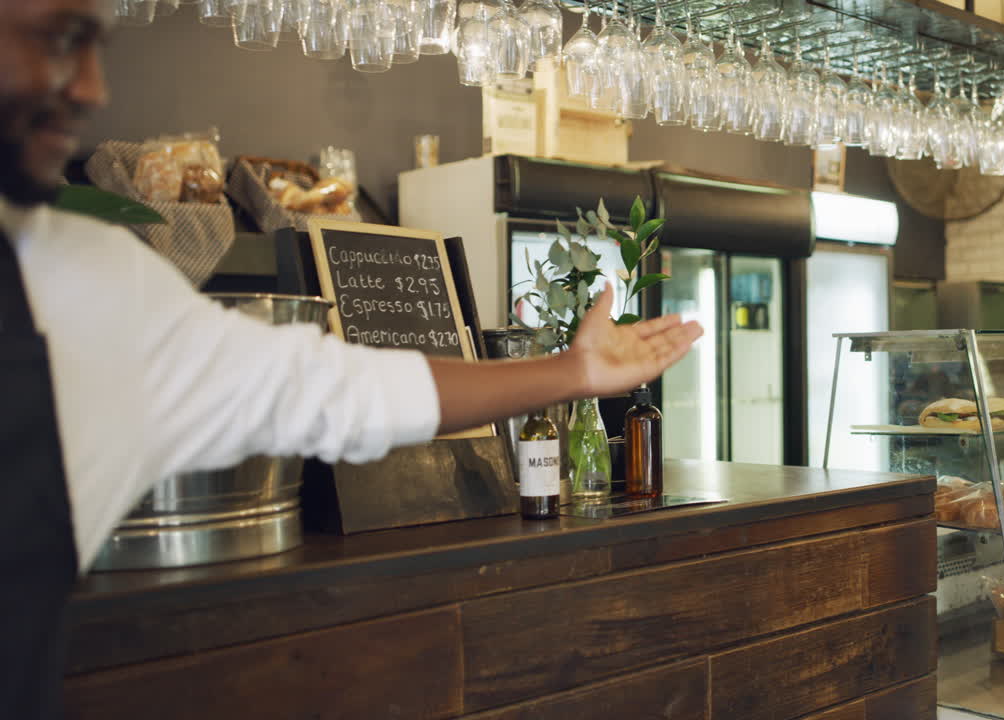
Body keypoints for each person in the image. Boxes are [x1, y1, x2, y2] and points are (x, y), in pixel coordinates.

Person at [0, 1, 704, 717]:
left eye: (95, 45)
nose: (92, 87)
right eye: (60, 40)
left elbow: (338, 389)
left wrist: (571, 373)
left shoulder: (83, 279)